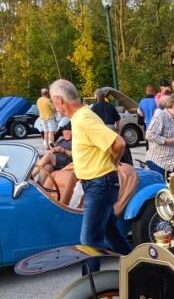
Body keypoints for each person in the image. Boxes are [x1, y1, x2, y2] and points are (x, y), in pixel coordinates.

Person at [49, 79, 131, 272]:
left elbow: (118, 143)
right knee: (112, 235)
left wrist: (113, 163)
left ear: (60, 100)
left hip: (100, 184)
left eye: (54, 103)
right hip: (96, 183)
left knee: (89, 241)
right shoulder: (81, 118)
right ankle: (140, 269)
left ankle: (90, 289)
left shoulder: (84, 119)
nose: (55, 108)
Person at [145, 93, 174, 176]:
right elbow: (149, 134)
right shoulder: (161, 115)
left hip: (172, 163)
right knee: (160, 187)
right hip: (158, 162)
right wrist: (167, 141)